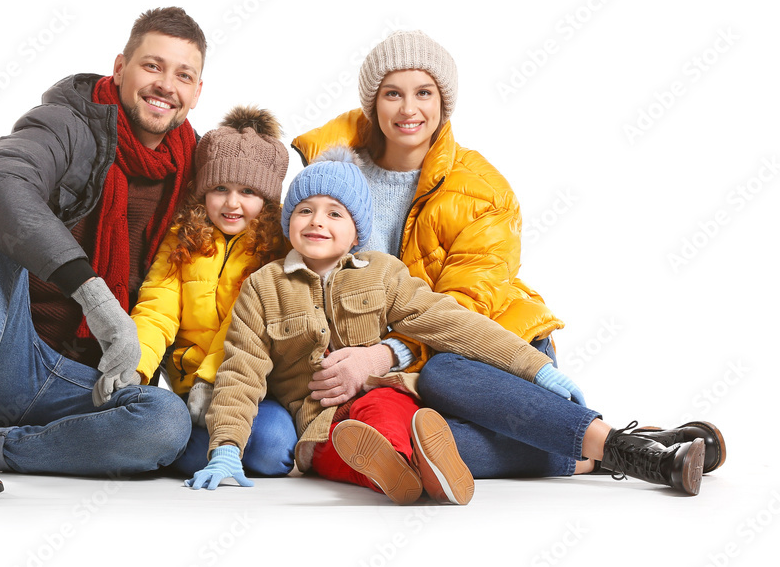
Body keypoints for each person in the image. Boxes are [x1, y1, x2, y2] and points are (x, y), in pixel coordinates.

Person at [289, 30, 725, 488]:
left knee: (441, 376)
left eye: (424, 93)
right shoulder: (328, 177)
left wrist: (383, 353)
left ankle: (619, 447)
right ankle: (612, 453)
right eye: (392, 94)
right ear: (372, 102)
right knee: (386, 441)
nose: (408, 109)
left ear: (444, 103)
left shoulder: (481, 188)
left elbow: (465, 307)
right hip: (394, 374)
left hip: (485, 348)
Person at [185, 149, 708, 504]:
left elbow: (452, 322)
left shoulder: (385, 275)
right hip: (317, 420)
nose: (317, 221)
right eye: (304, 210)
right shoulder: (262, 286)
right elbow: (242, 370)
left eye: (334, 213)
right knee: (337, 446)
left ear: (357, 232)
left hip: (386, 396)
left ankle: (414, 464)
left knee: (394, 413)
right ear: (287, 223)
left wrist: (535, 369)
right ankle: (409, 470)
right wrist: (226, 446)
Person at [0, 7, 208, 499]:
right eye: (152, 66)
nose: (165, 85)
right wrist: (94, 298)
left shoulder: (193, 167)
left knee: (164, 424)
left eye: (184, 74)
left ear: (197, 92)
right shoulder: (68, 123)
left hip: (92, 384)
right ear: (119, 68)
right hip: (7, 354)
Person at [129, 105, 297, 477]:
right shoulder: (183, 238)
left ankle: (227, 446)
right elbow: (158, 307)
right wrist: (135, 366)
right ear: (204, 190)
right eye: (220, 188)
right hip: (189, 393)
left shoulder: (276, 249)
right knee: (174, 450)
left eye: (248, 191)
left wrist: (212, 379)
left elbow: (248, 326)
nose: (232, 202)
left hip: (251, 390)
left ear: (267, 198)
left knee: (274, 452)